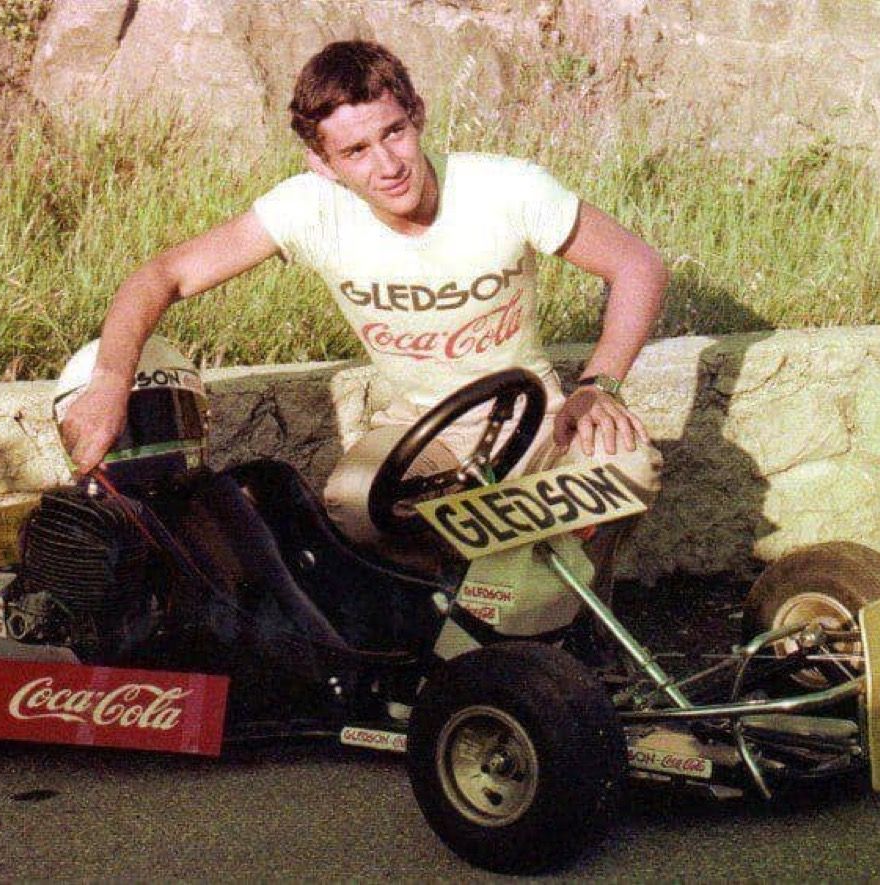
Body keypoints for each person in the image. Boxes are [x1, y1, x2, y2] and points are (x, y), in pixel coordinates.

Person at [60, 40, 667, 588]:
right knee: (353, 504)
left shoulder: (506, 188)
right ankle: (447, 625)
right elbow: (160, 275)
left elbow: (637, 264)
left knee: (628, 468)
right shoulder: (310, 210)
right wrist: (110, 381)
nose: (387, 164)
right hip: (423, 430)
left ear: (417, 115)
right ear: (322, 163)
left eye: (394, 132)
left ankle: (567, 619)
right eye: (355, 151)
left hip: (535, 420)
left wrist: (599, 385)